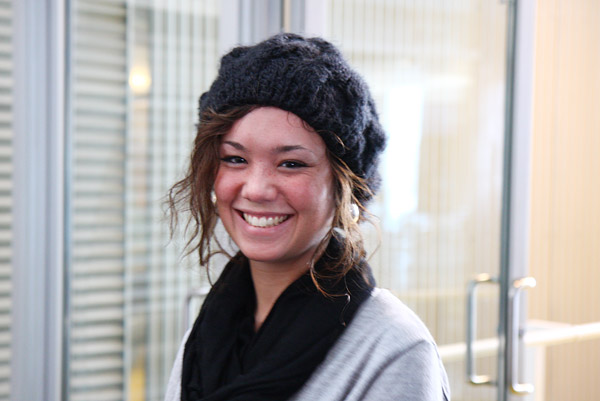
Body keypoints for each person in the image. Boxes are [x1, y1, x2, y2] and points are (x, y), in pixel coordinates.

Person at [165, 33, 450, 401]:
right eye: (235, 159)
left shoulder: (394, 350)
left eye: (291, 164)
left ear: (344, 185)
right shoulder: (209, 333)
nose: (256, 189)